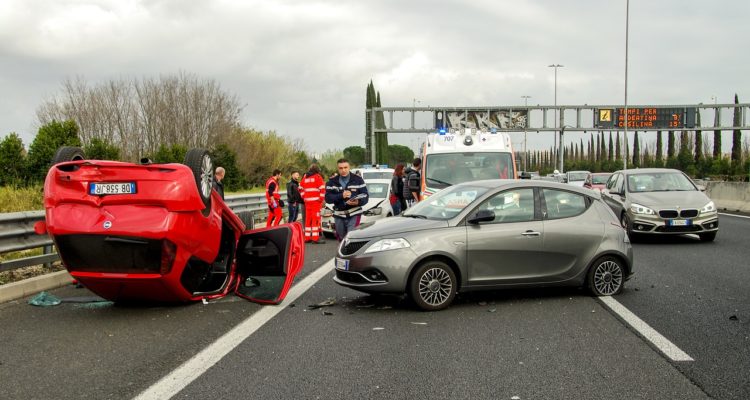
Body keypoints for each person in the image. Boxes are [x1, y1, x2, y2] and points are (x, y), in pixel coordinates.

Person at [325, 158, 369, 241]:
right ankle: (342, 252)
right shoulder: (332, 182)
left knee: (351, 237)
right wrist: (341, 195)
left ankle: (352, 254)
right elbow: (328, 198)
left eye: (345, 167)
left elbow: (366, 196)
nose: (343, 170)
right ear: (338, 169)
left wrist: (358, 201)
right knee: (341, 239)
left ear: (349, 167)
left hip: (354, 213)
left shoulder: (358, 180)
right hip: (339, 214)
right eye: (341, 168)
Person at [299, 164, 326, 243]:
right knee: (315, 219)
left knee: (308, 219)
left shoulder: (305, 177)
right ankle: (315, 238)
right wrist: (321, 199)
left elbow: (300, 188)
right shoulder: (318, 177)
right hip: (316, 202)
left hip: (307, 202)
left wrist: (304, 197)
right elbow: (322, 189)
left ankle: (307, 238)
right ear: (317, 170)